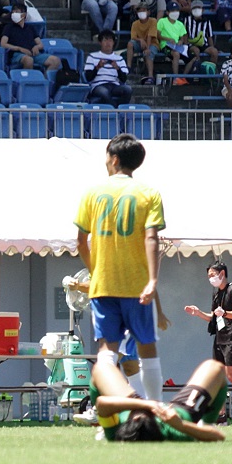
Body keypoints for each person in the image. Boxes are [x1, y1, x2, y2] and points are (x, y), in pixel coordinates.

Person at [74, 134, 166, 403]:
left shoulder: (92, 193)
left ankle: (103, 412)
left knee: (107, 352)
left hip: (104, 286)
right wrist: (152, 280)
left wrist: (96, 270)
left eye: (106, 157)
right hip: (137, 286)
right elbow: (152, 238)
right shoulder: (149, 194)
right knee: (147, 350)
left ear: (114, 159)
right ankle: (156, 409)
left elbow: (80, 242)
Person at [184, 261, 232, 424]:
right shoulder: (217, 294)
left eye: (213, 275)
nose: (210, 279)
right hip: (220, 338)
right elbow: (213, 317)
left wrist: (224, 312)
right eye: (209, 276)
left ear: (222, 274)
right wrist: (198, 313)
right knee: (218, 377)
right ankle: (221, 414)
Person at [90, 358, 226, 442]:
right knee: (215, 367)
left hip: (131, 404)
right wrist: (181, 425)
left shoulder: (117, 433)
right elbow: (218, 436)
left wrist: (146, 404)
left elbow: (102, 403)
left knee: (101, 367)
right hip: (181, 411)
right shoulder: (174, 432)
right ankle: (207, 422)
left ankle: (104, 422)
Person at [0, 2, 60, 70]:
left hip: (33, 53)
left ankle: (45, 76)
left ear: (24, 14)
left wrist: (36, 47)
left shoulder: (30, 28)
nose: (14, 14)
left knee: (55, 60)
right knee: (29, 60)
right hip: (17, 54)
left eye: (16, 12)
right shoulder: (8, 27)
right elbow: (3, 44)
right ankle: (28, 76)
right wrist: (20, 49)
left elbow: (40, 44)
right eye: (13, 12)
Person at [84, 29, 131, 107]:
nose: (108, 43)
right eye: (105, 40)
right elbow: (88, 77)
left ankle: (119, 108)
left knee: (128, 89)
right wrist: (97, 67)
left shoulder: (119, 58)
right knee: (104, 92)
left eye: (110, 40)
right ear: (100, 42)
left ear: (113, 42)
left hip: (114, 85)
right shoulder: (92, 56)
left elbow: (124, 79)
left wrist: (117, 69)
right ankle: (116, 110)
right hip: (98, 85)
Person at [127, 2, 158, 85]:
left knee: (149, 52)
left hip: (152, 43)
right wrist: (140, 40)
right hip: (140, 43)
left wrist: (147, 48)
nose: (141, 12)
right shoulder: (135, 24)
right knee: (130, 44)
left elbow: (150, 36)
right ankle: (128, 68)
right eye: (139, 11)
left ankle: (150, 76)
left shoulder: (153, 21)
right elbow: (133, 37)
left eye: (144, 10)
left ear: (148, 12)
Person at [184, 0, 218, 69]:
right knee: (196, 50)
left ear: (202, 10)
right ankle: (197, 68)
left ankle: (211, 70)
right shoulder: (187, 20)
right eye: (194, 8)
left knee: (214, 52)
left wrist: (212, 47)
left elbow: (209, 36)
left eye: (199, 8)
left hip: (204, 44)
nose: (197, 10)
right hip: (191, 44)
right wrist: (186, 45)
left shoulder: (207, 21)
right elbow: (185, 34)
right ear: (191, 10)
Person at [157, 0, 187, 76]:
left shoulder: (180, 24)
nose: (175, 13)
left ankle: (184, 76)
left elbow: (182, 37)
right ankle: (176, 77)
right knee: (176, 54)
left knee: (192, 56)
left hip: (177, 46)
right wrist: (168, 39)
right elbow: (158, 36)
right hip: (165, 45)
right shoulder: (162, 21)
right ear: (167, 12)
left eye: (177, 10)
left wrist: (181, 41)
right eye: (173, 11)